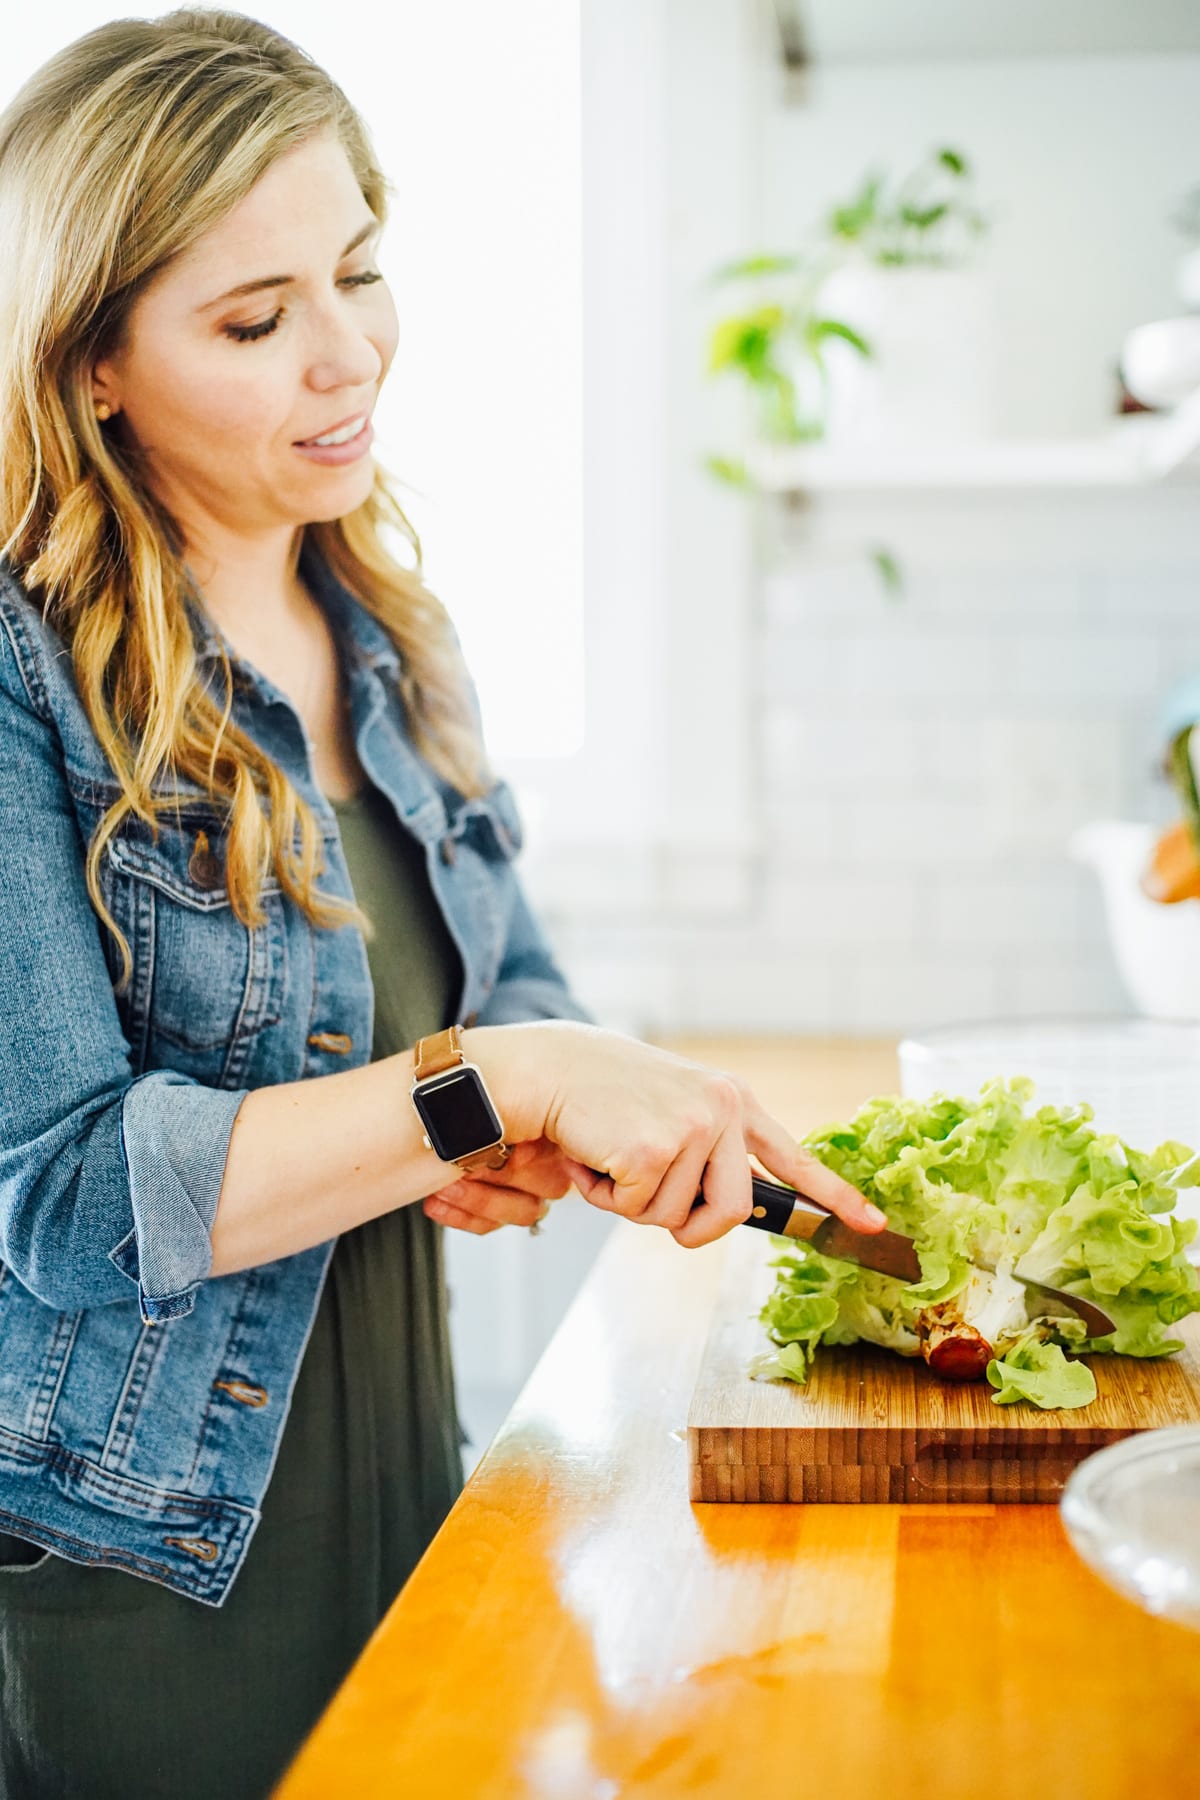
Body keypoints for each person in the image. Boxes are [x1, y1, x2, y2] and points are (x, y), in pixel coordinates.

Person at [0, 11, 884, 1798]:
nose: (350, 357)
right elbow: (66, 1200)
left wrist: (570, 1107)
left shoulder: (392, 627)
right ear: (91, 363)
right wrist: (491, 1086)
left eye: (360, 272)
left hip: (410, 1492)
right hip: (141, 1577)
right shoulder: (23, 679)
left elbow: (503, 988)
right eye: (255, 321)